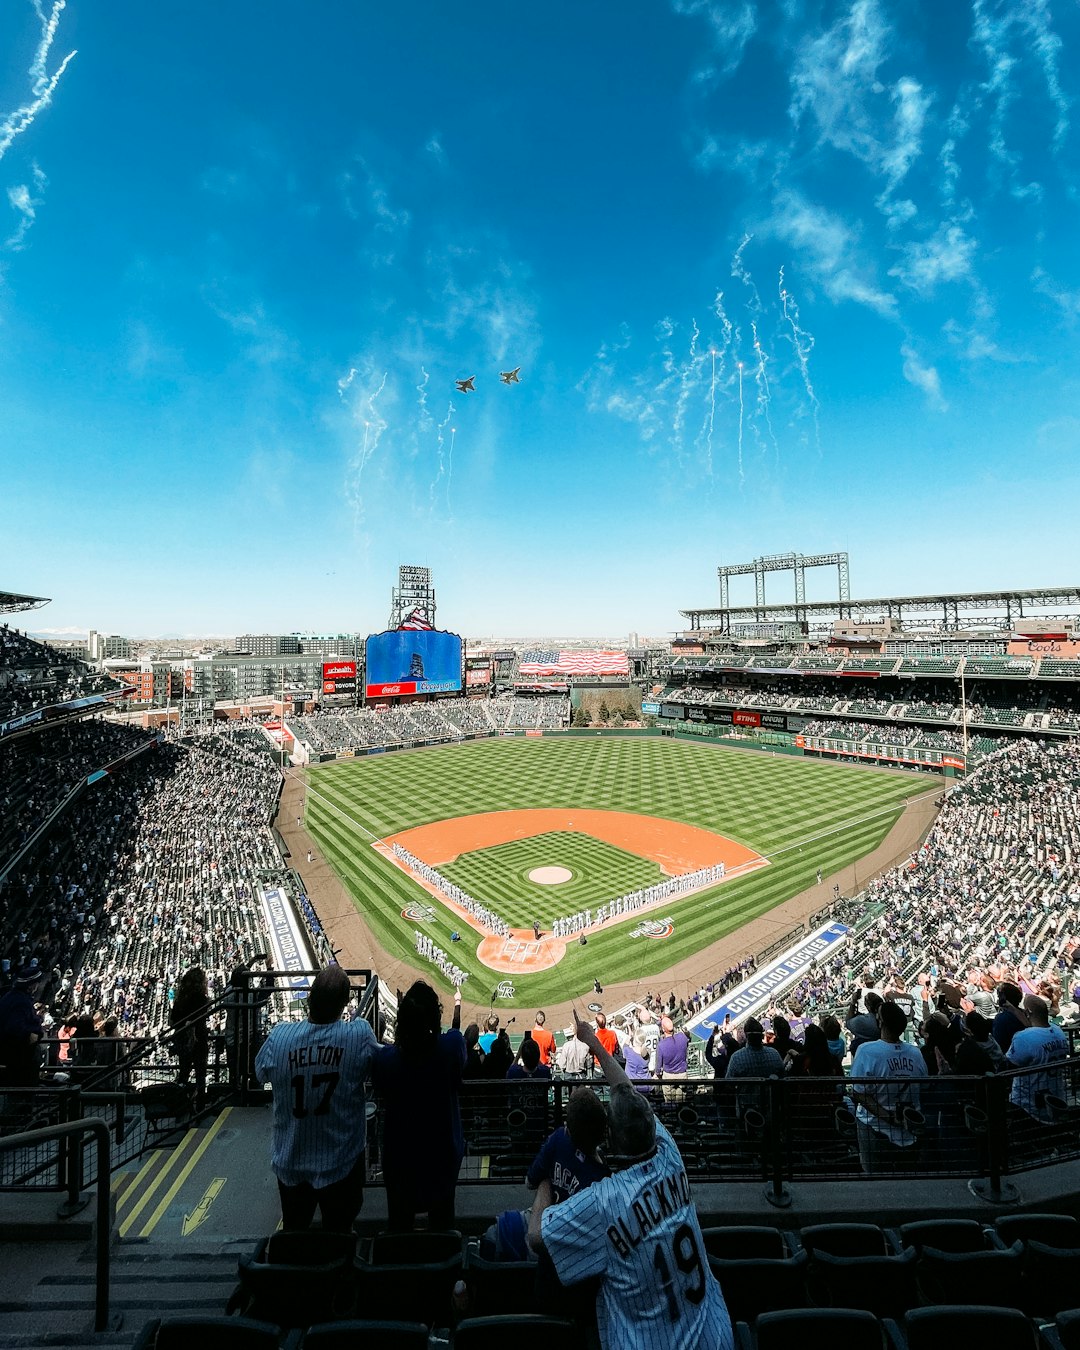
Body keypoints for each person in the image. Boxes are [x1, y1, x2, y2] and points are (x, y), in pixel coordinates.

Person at [529, 1011, 733, 1350]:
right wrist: (592, 1041)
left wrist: (545, 1184)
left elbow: (536, 1237)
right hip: (717, 1336)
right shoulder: (670, 1155)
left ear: (608, 1141)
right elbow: (626, 1091)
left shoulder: (604, 1201)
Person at [255, 964, 377, 1231]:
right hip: (340, 1163)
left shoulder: (280, 1036)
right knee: (341, 1233)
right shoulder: (358, 1033)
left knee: (294, 1232)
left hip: (291, 1160)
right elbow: (379, 1068)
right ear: (345, 1003)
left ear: (309, 999)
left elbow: (260, 1072)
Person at [373, 980, 466, 1231]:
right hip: (441, 1158)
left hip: (399, 1160)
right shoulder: (451, 1048)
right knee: (444, 1231)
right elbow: (455, 1039)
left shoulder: (386, 1060)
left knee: (399, 1230)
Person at [849, 1001, 925, 1175]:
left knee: (876, 1179)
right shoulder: (915, 1052)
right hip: (908, 1127)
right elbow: (924, 1083)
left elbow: (858, 1092)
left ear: (880, 1022)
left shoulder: (867, 1050)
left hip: (876, 1129)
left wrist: (888, 1117)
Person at [1007, 993, 1068, 1123]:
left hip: (1028, 1103)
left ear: (1028, 1012)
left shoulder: (1023, 1037)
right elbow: (1037, 1032)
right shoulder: (1058, 1031)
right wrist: (1014, 1009)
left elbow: (1009, 1065)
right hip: (1055, 1096)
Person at [170, 967, 210, 1109]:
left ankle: (182, 1106)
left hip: (182, 1040)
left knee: (184, 1074)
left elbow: (172, 1021)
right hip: (198, 1040)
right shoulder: (202, 999)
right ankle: (200, 1107)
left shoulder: (180, 999)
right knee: (200, 1076)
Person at [0, 965, 44, 1087]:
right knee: (22, 1094)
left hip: (13, 1056)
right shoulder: (21, 1002)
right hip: (19, 1058)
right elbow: (15, 1028)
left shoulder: (10, 997)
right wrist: (33, 1034)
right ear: (31, 985)